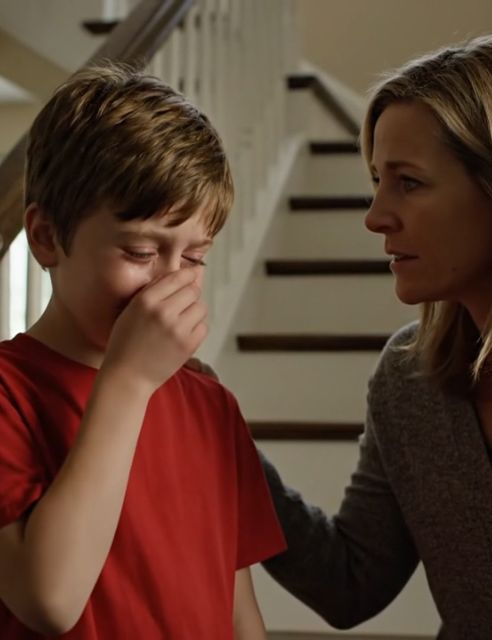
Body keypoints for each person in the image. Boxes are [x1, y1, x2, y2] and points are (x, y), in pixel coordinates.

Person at [0, 62, 285, 639]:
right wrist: (128, 381)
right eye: (140, 252)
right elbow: (49, 599)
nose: (170, 283)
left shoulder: (213, 408)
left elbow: (239, 613)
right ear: (48, 238)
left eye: (195, 258)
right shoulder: (10, 394)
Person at [257, 33, 492, 639]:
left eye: (409, 182)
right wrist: (223, 444)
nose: (374, 216)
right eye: (376, 179)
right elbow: (351, 582)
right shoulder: (408, 379)